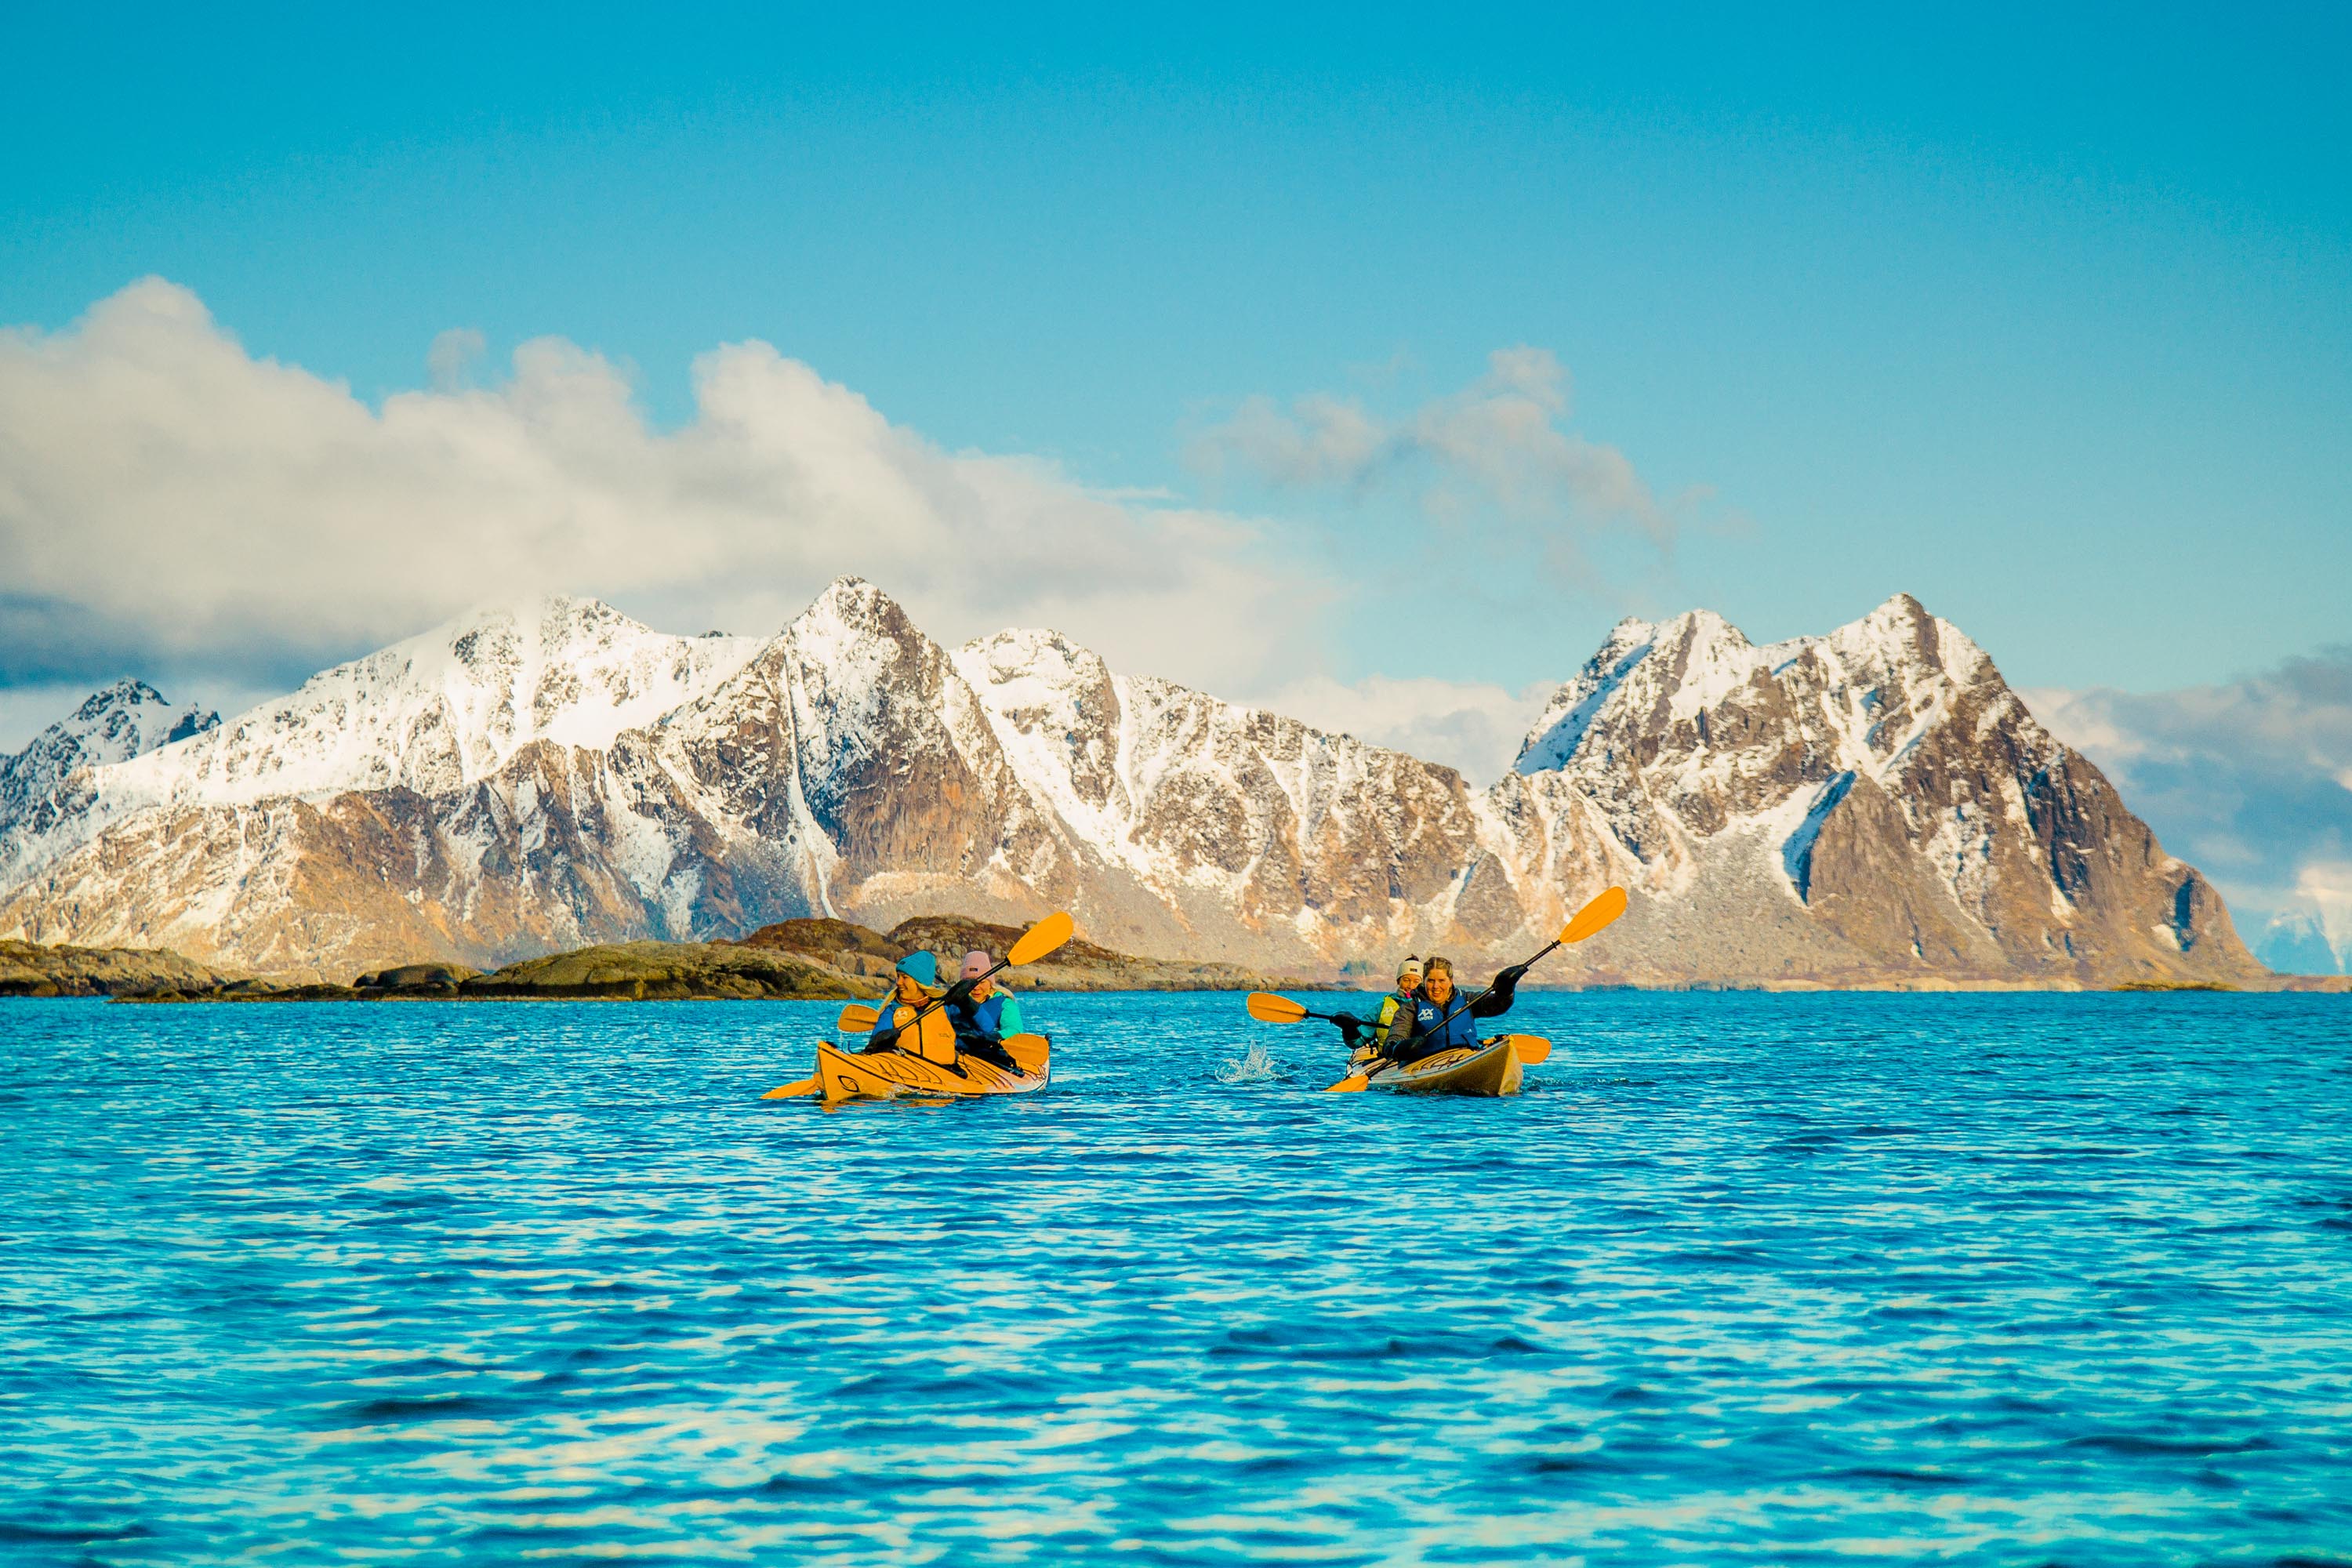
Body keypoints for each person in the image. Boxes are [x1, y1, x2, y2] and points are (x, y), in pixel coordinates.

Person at [1376, 954, 1529, 1065]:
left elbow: (1497, 1005)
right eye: (1431, 981)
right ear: (1424, 981)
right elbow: (1395, 1036)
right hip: (1425, 1064)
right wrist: (1397, 1048)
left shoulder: (1468, 1000)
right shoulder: (1411, 1007)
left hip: (1465, 1057)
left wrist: (1506, 991)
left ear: (1451, 981)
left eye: (1442, 981)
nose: (1436, 987)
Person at [866, 950, 958, 1065]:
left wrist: (968, 1003)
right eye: (898, 977)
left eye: (904, 977)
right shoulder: (891, 1011)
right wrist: (879, 1044)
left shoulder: (946, 1007)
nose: (898, 982)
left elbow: (984, 1029)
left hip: (946, 1072)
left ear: (919, 982)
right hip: (907, 1073)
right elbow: (875, 1042)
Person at [943, 949, 1025, 1072]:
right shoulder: (951, 1003)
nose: (976, 988)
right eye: (969, 983)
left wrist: (993, 1037)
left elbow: (1015, 1030)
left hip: (990, 1055)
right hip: (956, 1054)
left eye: (981, 982)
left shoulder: (1005, 1003)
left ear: (990, 983)